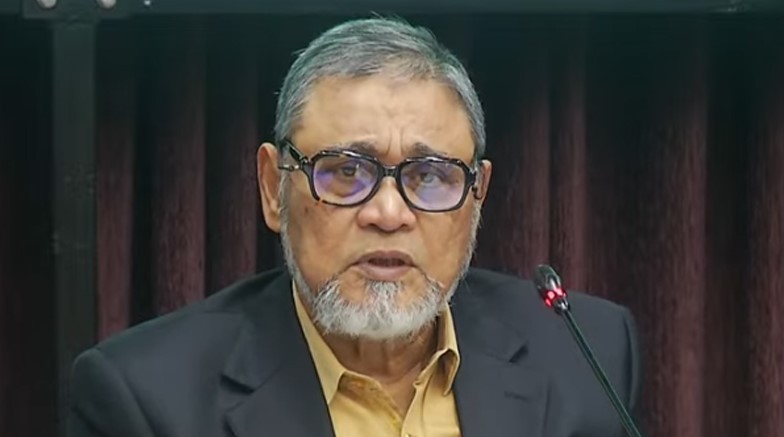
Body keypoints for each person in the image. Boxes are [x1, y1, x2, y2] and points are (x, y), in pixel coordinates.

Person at [67, 17, 641, 437]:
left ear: (477, 196)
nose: (389, 214)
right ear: (272, 187)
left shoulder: (584, 353)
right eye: (346, 171)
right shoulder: (146, 399)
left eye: (430, 176)